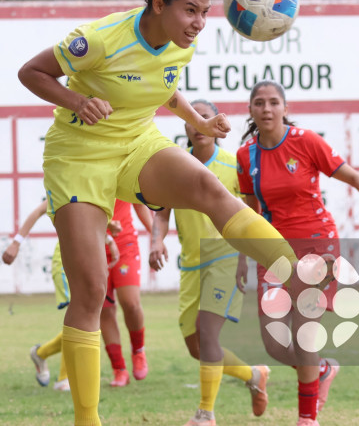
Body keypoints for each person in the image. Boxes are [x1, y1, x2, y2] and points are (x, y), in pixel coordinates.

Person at [17, 0, 302, 426]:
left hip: (135, 141)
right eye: (190, 10)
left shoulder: (181, 43)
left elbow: (162, 85)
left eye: (205, 12)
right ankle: (87, 420)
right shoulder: (99, 39)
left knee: (207, 186)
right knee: (90, 289)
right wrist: (77, 101)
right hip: (78, 157)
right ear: (157, 5)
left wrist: (198, 120)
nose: (199, 22)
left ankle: (296, 275)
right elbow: (30, 72)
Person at [237, 80, 359, 426]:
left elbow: (347, 172)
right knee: (274, 344)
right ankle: (321, 370)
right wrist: (243, 257)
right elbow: (249, 213)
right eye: (259, 103)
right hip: (271, 248)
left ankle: (307, 418)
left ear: (285, 108)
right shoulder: (246, 156)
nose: (267, 109)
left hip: (316, 243)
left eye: (274, 102)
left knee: (305, 334)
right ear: (251, 110)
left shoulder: (305, 141)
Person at [149, 99, 271, 426]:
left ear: (216, 122)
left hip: (225, 257)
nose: (198, 124)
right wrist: (157, 240)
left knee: (207, 334)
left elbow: (250, 216)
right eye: (192, 118)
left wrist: (245, 257)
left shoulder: (233, 165)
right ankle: (253, 374)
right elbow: (161, 214)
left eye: (204, 116)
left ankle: (205, 413)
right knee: (196, 347)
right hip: (191, 264)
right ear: (186, 126)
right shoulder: (174, 166)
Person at [2, 200, 119, 393]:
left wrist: (110, 240)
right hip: (66, 263)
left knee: (86, 319)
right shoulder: (64, 189)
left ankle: (41, 353)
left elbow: (89, 221)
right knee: (80, 319)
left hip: (87, 261)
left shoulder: (89, 193)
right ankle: (64, 379)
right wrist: (16, 243)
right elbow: (38, 211)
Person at [100, 200, 153, 387]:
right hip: (95, 246)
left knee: (131, 303)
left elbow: (139, 204)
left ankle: (138, 350)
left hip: (124, 243)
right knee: (104, 309)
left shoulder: (121, 177)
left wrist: (156, 236)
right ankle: (119, 369)